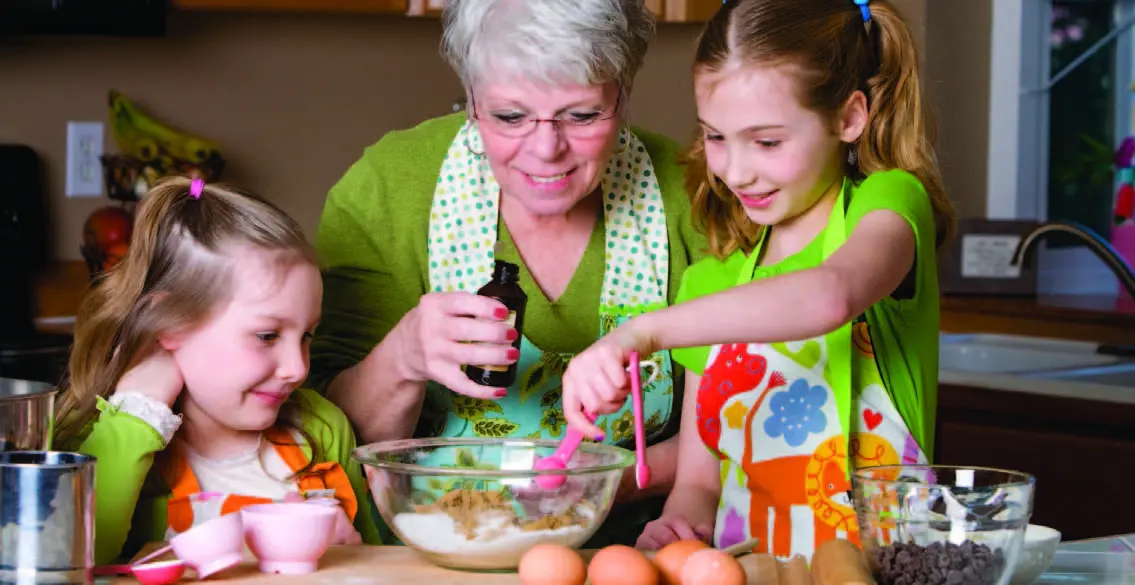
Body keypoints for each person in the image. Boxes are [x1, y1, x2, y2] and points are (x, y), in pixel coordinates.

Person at [561, 0, 956, 560]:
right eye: (716, 137)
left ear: (849, 117)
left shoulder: (888, 208)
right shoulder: (710, 286)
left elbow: (830, 295)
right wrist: (678, 528)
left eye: (767, 142)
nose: (736, 170)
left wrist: (638, 333)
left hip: (886, 570)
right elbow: (700, 484)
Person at [307, 0, 707, 545]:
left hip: (634, 553)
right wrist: (403, 359)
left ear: (624, 92)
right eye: (510, 117)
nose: (546, 149)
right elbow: (322, 445)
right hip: (428, 559)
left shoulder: (692, 195)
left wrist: (602, 486)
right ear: (471, 99)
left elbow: (737, 416)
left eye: (583, 115)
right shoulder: (387, 190)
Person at [53, 177, 383, 566]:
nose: (297, 368)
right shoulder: (96, 441)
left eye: (307, 334)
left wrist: (354, 556)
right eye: (267, 335)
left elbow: (387, 567)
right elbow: (72, 562)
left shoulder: (323, 429)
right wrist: (137, 416)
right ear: (170, 324)